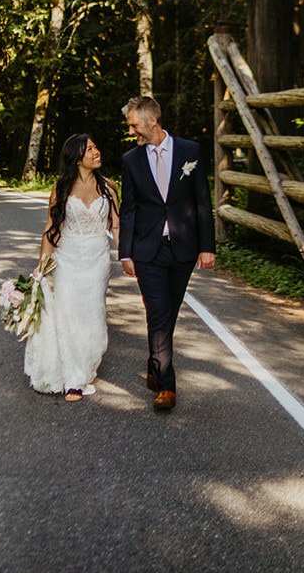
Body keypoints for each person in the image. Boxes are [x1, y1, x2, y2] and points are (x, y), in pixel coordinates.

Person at [118, 96, 214, 412]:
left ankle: (154, 363)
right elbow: (129, 209)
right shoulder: (131, 160)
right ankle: (167, 386)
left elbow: (202, 201)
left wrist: (207, 246)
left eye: (134, 124)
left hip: (184, 248)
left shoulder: (190, 151)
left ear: (152, 120)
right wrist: (125, 252)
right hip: (147, 250)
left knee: (168, 312)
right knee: (158, 313)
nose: (132, 131)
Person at [24, 133, 119, 401]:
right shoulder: (61, 190)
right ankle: (73, 378)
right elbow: (51, 229)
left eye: (96, 146)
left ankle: (85, 366)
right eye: (90, 149)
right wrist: (42, 265)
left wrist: (127, 256)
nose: (96, 151)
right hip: (68, 258)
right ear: (77, 158)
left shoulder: (109, 188)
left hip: (98, 259)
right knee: (68, 313)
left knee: (92, 314)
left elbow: (116, 225)